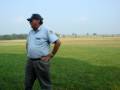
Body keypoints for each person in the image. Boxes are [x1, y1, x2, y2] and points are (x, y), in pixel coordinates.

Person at [25, 14, 61, 90]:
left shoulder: (46, 30)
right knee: (28, 82)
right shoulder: (31, 32)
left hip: (41, 62)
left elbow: (58, 42)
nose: (30, 22)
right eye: (29, 21)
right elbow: (28, 43)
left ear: (38, 20)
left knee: (45, 84)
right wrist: (29, 53)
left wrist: (50, 55)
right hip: (30, 61)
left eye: (31, 20)